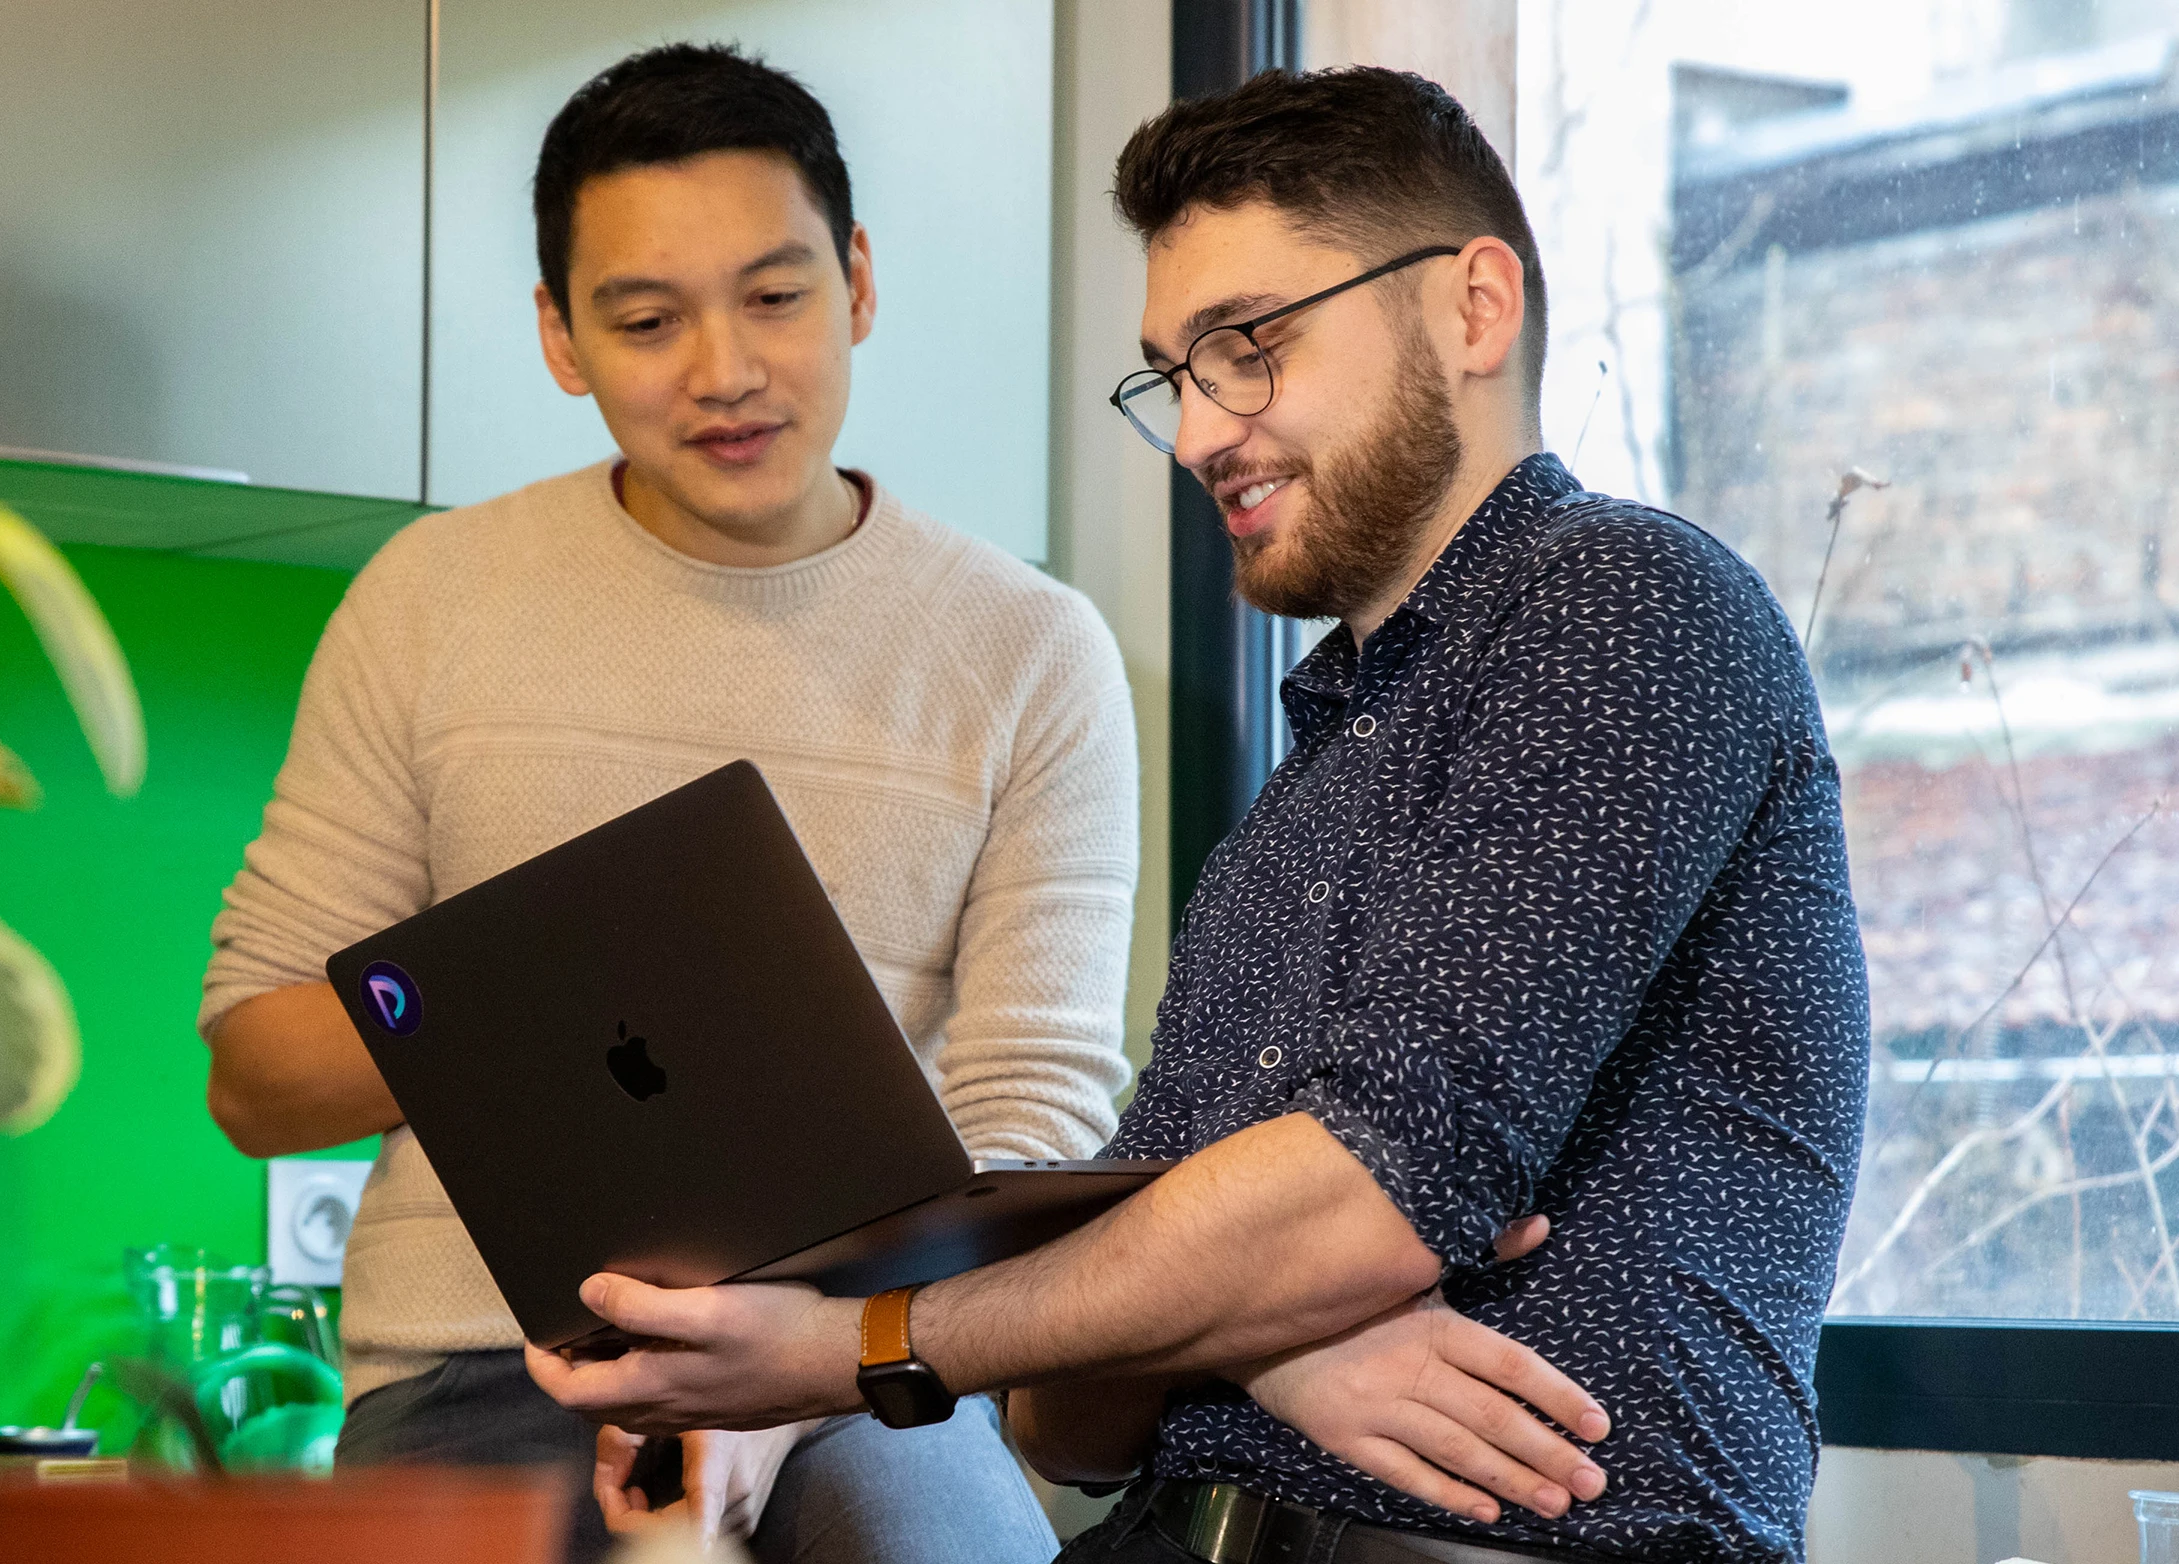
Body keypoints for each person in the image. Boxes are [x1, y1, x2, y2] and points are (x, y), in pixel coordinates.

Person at [525, 64, 1872, 1564]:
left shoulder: (1626, 604)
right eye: (1173, 372)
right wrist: (1245, 1330)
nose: (1194, 433)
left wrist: (850, 1350)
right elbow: (1064, 1426)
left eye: (1250, 346)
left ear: (1472, 309)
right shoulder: (1289, 813)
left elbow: (1365, 1201)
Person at [199, 43, 1143, 1564]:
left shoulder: (1030, 652)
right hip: (477, 1365)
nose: (723, 369)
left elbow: (1028, 1128)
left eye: (774, 296)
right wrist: (559, 988)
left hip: (859, 1383)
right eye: (645, 319)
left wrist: (794, 1366)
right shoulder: (430, 600)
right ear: (560, 339)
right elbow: (256, 1077)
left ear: (859, 283)